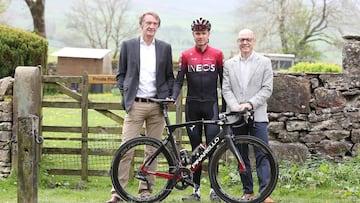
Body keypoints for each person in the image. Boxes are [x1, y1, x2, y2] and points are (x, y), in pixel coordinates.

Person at [106, 11, 174, 203]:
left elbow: (170, 76)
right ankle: (117, 192)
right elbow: (121, 74)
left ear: (158, 26)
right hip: (135, 104)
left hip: (157, 106)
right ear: (141, 25)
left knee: (152, 150)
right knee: (126, 148)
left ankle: (146, 189)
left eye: (154, 24)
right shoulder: (128, 46)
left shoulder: (164, 48)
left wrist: (168, 96)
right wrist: (125, 93)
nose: (151, 27)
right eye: (148, 23)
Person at [172, 17, 224, 202]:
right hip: (192, 106)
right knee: (196, 150)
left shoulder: (217, 54)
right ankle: (196, 191)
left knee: (213, 149)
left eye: (203, 33)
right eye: (197, 33)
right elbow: (179, 81)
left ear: (209, 34)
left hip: (211, 106)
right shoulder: (186, 55)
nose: (200, 36)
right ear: (193, 34)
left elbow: (223, 83)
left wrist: (224, 108)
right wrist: (172, 96)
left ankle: (214, 190)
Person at [222, 28, 275, 203]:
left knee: (262, 154)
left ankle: (264, 194)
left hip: (257, 114)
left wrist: (250, 104)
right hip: (237, 116)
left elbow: (267, 89)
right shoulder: (229, 64)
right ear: (238, 42)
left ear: (254, 41)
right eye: (241, 40)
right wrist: (236, 106)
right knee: (241, 155)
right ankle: (248, 192)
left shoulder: (264, 62)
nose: (245, 43)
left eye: (248, 40)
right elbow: (226, 89)